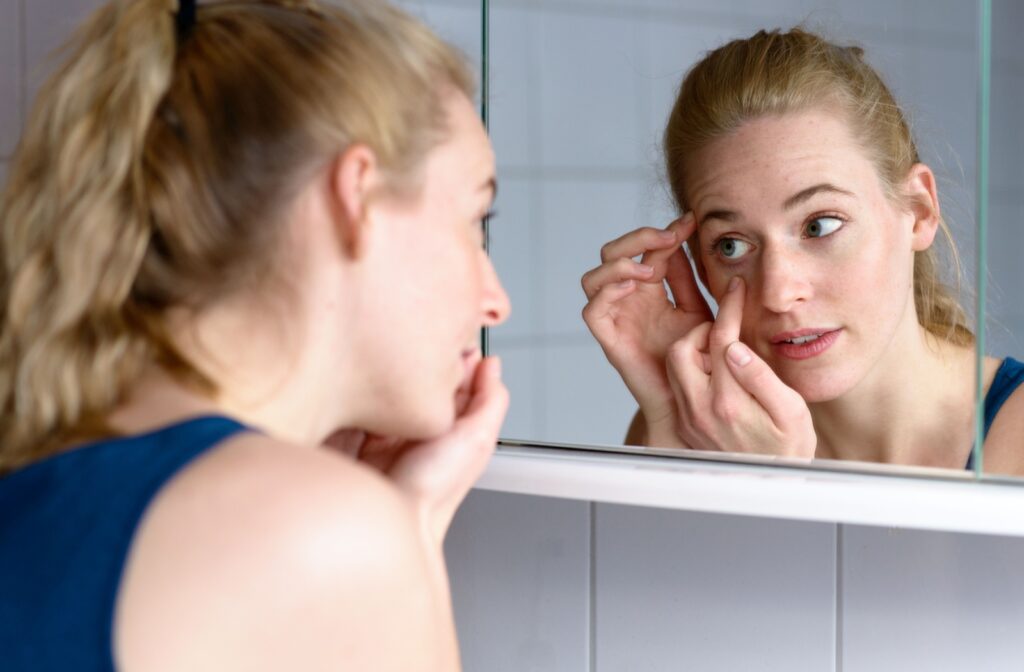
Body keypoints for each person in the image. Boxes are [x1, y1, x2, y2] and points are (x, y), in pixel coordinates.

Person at [0, 0, 510, 669]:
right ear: (355, 198)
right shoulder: (323, 535)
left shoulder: (40, 462)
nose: (493, 302)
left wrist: (403, 523)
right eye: (477, 223)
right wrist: (398, 539)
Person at [581, 28, 1024, 474]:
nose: (776, 292)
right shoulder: (699, 426)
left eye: (820, 225)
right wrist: (668, 415)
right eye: (731, 245)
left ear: (920, 210)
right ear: (698, 264)